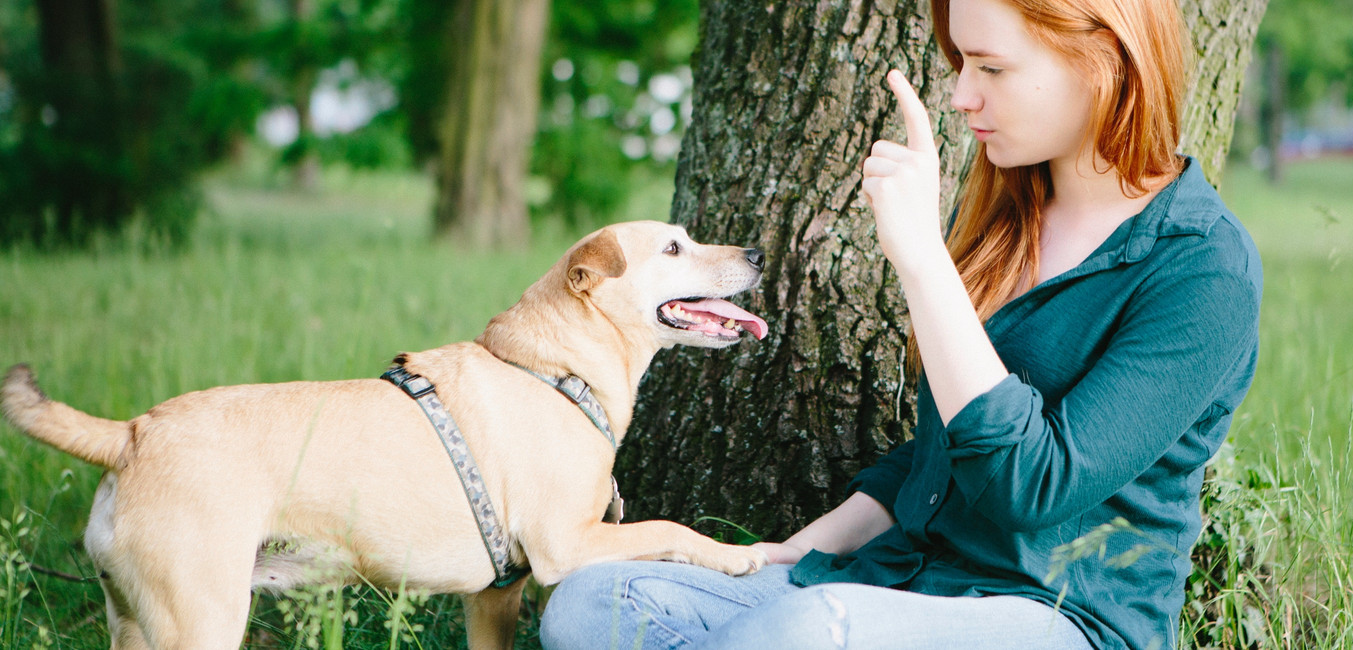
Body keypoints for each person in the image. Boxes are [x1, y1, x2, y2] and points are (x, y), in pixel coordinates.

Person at [539, 0, 1261, 647]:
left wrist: (922, 261)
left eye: (992, 67)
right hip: (903, 582)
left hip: (1059, 616)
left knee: (804, 632)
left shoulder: (1203, 270)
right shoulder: (1005, 217)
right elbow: (934, 457)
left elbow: (1030, 487)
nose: (962, 95)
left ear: (1101, 58)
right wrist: (792, 551)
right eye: (960, 63)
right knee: (592, 605)